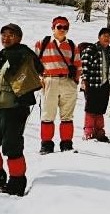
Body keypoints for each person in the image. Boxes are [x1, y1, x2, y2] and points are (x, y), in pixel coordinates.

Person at [0, 23, 43, 196]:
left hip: (15, 108)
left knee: (12, 147)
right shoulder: (3, 55)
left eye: (11, 35)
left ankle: (17, 183)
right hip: (0, 108)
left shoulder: (24, 54)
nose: (6, 38)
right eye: (3, 34)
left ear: (19, 38)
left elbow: (37, 68)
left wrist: (22, 61)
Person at [35, 16, 82, 154]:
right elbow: (34, 64)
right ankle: (46, 145)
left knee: (67, 115)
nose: (62, 30)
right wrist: (39, 79)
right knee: (48, 114)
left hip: (68, 82)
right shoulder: (42, 43)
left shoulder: (73, 46)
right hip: (49, 80)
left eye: (65, 27)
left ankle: (66, 144)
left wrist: (75, 82)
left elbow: (78, 65)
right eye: (59, 27)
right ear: (53, 28)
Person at [80, 27, 110, 143]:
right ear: (99, 37)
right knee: (91, 108)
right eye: (104, 36)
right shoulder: (91, 49)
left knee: (101, 109)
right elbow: (84, 66)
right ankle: (89, 132)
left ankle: (100, 132)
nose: (107, 38)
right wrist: (84, 81)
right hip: (92, 83)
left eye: (109, 36)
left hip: (105, 84)